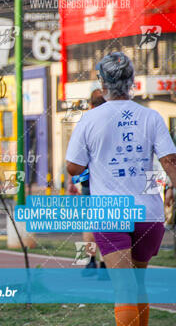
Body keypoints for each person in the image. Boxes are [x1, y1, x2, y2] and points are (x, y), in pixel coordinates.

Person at [66, 52, 176, 326]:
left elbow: (73, 168)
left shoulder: (90, 120)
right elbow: (170, 162)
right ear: (133, 82)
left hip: (110, 212)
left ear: (101, 83)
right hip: (148, 214)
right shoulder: (151, 117)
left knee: (124, 289)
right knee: (137, 285)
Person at [77, 89, 108, 277]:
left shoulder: (85, 124)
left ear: (90, 105)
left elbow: (76, 158)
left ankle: (89, 263)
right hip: (110, 182)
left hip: (88, 181)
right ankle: (105, 266)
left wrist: (77, 178)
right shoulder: (114, 122)